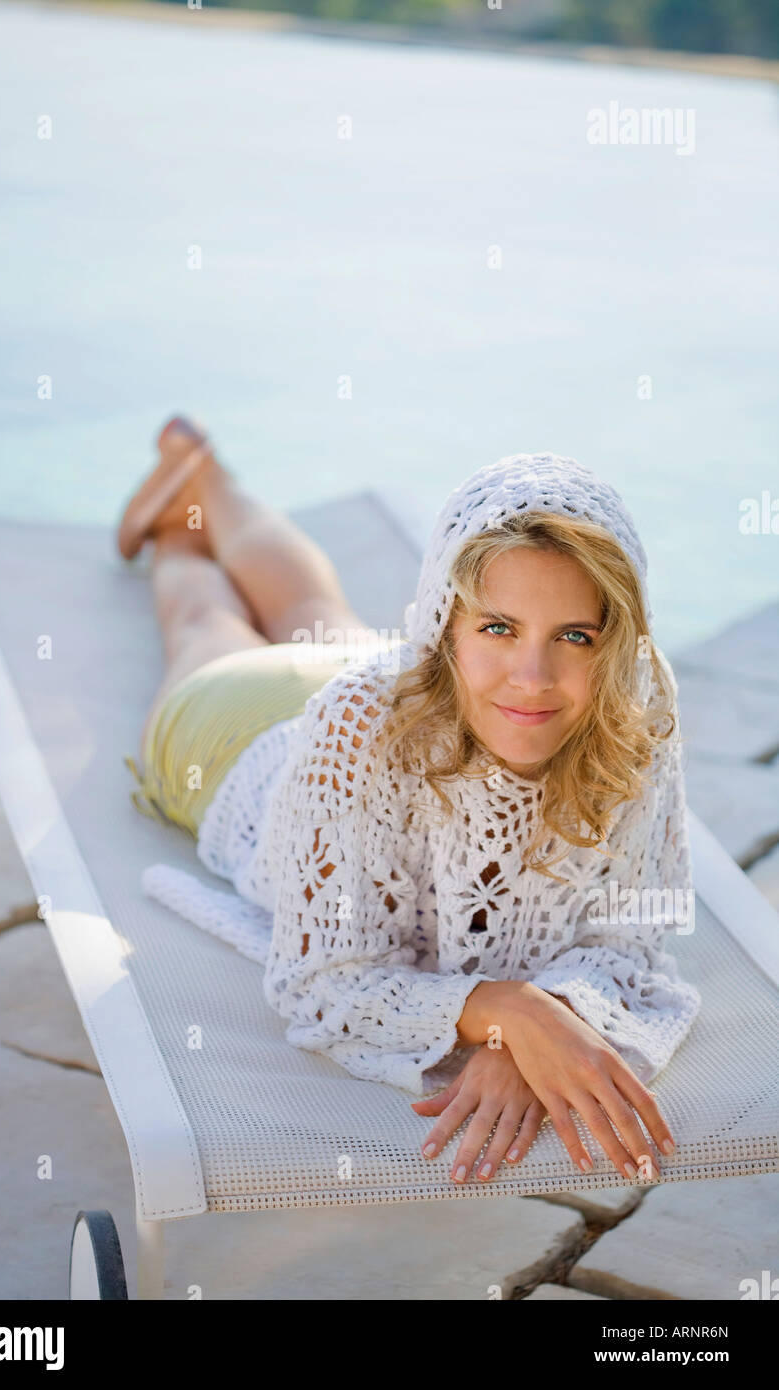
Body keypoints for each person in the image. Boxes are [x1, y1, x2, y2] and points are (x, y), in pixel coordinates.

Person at [118, 416, 701, 1188]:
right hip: (240, 740)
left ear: (616, 643)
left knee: (308, 602)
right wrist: (512, 1012)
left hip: (426, 693)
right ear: (447, 627)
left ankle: (207, 476)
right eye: (498, 626)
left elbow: (633, 937)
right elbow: (324, 980)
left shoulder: (635, 718)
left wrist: (533, 1032)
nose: (532, 675)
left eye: (574, 637)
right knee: (204, 619)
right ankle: (185, 532)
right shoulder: (359, 724)